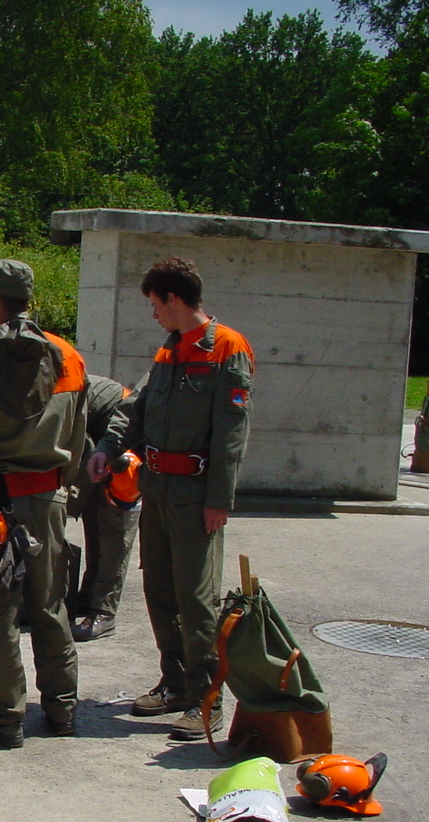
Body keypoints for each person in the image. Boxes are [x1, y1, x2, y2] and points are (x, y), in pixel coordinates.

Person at [88, 256, 254, 741]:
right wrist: (107, 447)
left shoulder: (226, 347)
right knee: (160, 590)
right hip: (157, 488)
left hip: (195, 492)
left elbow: (231, 433)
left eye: (155, 304)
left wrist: (219, 499)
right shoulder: (171, 348)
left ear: (173, 299)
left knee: (196, 598)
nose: (154, 313)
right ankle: (176, 684)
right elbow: (136, 407)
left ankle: (207, 699)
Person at [0, 259, 87, 748]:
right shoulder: (66, 353)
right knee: (50, 604)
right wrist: (62, 488)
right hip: (47, 498)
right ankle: (62, 709)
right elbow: (80, 431)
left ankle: (5, 718)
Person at [68, 374, 140, 642]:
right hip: (99, 437)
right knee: (93, 516)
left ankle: (104, 613)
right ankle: (88, 597)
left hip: (126, 442)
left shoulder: (59, 389)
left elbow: (73, 445)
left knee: (113, 523)